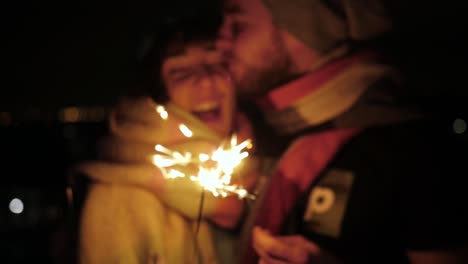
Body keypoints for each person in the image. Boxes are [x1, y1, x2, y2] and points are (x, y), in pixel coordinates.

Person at [216, 0, 468, 263]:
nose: (220, 43)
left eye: (238, 26)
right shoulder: (262, 133)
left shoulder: (415, 148)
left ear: (300, 31)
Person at [73, 14, 263, 264]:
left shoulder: (268, 174)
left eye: (218, 64)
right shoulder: (118, 201)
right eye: (181, 73)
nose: (205, 79)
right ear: (157, 95)